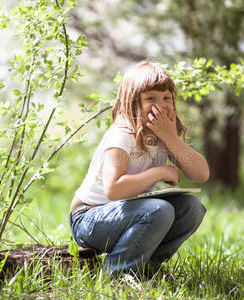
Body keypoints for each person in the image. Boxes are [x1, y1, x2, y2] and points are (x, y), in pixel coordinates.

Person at [69, 60, 209, 279]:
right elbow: (113, 191)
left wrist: (172, 139)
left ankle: (147, 268)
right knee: (158, 210)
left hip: (127, 214)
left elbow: (201, 174)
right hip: (89, 218)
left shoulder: (163, 135)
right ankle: (118, 274)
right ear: (132, 103)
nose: (160, 105)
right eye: (150, 98)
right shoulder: (122, 136)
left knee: (192, 208)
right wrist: (160, 172)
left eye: (166, 98)